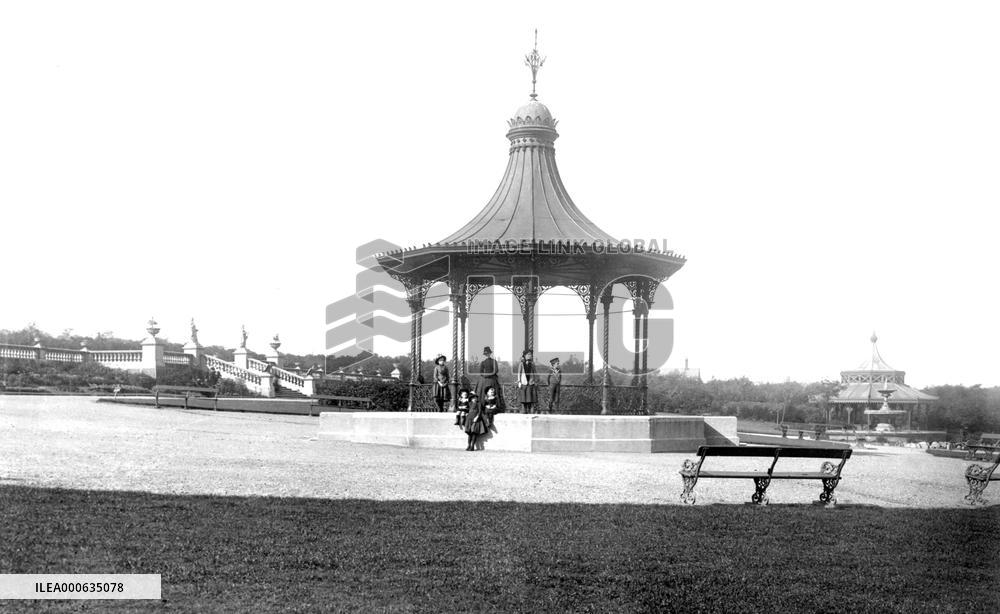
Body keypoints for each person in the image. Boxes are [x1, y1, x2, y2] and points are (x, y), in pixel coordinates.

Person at [475, 346, 505, 413]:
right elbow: (481, 372)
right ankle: (483, 407)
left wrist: (487, 375)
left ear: (490, 353)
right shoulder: (483, 362)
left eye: (488, 353)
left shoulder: (494, 361)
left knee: (492, 392)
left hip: (490, 379)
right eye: (486, 354)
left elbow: (495, 370)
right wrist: (487, 375)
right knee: (484, 393)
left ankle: (493, 406)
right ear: (485, 354)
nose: (487, 355)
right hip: (487, 379)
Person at [516, 349, 538, 414]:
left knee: (530, 396)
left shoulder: (532, 364)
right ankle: (523, 408)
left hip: (530, 382)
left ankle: (531, 408)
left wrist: (536, 381)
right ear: (525, 356)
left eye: (530, 354)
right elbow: (519, 373)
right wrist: (519, 381)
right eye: (528, 354)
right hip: (523, 382)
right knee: (523, 396)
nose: (530, 356)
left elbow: (535, 373)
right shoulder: (521, 364)